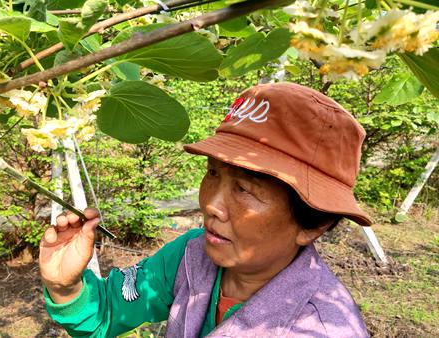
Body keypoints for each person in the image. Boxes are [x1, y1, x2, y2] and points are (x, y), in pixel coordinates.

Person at [38, 82, 371, 337]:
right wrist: (66, 287)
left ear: (314, 224)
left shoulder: (320, 328)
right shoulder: (191, 255)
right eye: (212, 173)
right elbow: (109, 310)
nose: (211, 204)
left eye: (244, 189)